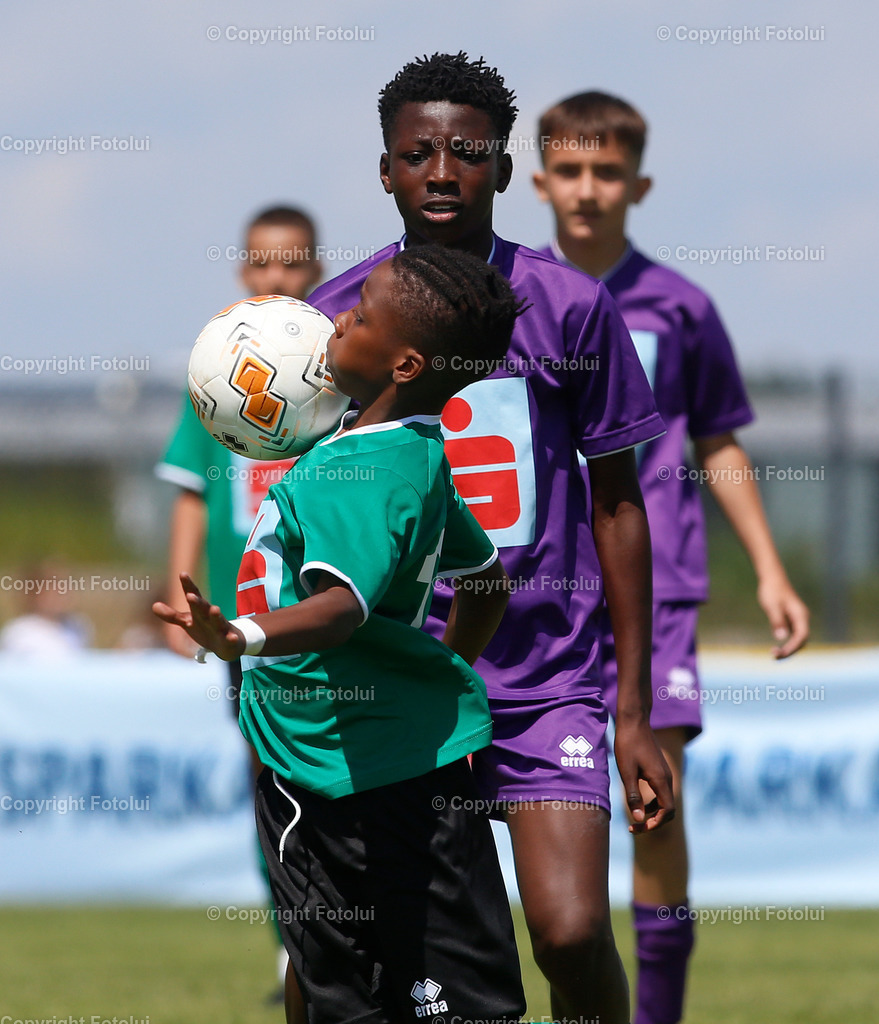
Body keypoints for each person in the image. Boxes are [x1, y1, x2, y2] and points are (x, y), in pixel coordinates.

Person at [305, 53, 675, 1024]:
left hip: (543, 679)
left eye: (467, 152)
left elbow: (622, 503)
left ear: (506, 170)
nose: (441, 170)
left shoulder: (571, 306)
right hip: (389, 687)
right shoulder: (332, 324)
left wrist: (632, 708)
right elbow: (296, 502)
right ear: (383, 170)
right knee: (335, 946)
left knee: (567, 930)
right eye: (416, 152)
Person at [154, 244, 528, 1024]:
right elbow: (487, 579)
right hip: (410, 762)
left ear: (403, 363)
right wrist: (437, 667)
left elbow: (341, 609)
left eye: (357, 318)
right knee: (450, 990)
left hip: (328, 775)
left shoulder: (351, 470)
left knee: (347, 993)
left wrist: (243, 636)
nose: (332, 324)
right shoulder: (418, 454)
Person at [533, 90, 810, 1024]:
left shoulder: (682, 308)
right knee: (527, 811)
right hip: (538, 596)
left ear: (638, 183)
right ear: (538, 179)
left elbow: (718, 441)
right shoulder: (511, 299)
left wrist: (769, 569)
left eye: (607, 171)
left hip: (657, 592)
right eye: (569, 170)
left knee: (660, 803)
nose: (588, 188)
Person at [155, 204, 321, 1003]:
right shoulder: (218, 369)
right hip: (240, 627)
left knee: (332, 781)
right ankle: (291, 947)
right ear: (241, 272)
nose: (276, 278)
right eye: (262, 264)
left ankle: (346, 934)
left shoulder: (332, 367)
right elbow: (191, 494)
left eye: (291, 263)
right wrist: (182, 588)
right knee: (270, 782)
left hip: (323, 616)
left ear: (316, 269)